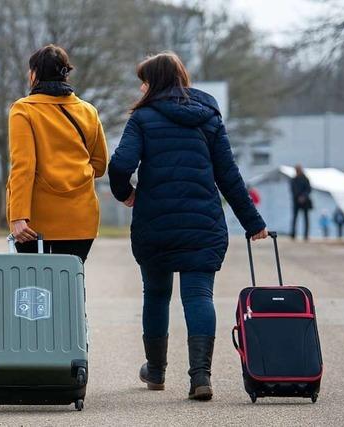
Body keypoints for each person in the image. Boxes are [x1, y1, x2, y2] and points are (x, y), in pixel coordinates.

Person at [108, 52, 267, 401]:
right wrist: (252, 223)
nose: (141, 86)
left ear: (155, 82)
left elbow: (119, 165)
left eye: (144, 80)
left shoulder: (144, 118)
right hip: (202, 222)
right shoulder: (208, 118)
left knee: (157, 295)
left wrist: (126, 194)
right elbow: (229, 175)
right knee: (198, 295)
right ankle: (200, 377)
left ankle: (157, 372)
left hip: (155, 222)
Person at [7, 44, 108, 262]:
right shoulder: (88, 111)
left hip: (34, 221)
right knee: (70, 287)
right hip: (80, 216)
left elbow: (23, 166)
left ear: (34, 74)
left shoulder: (24, 110)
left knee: (35, 288)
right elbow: (99, 164)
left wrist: (17, 216)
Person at [290, 165, 312, 240]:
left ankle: (306, 235)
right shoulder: (293, 179)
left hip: (305, 202)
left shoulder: (305, 179)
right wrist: (298, 197)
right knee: (295, 218)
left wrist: (303, 197)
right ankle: (293, 234)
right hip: (296, 201)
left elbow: (308, 189)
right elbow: (292, 190)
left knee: (306, 218)